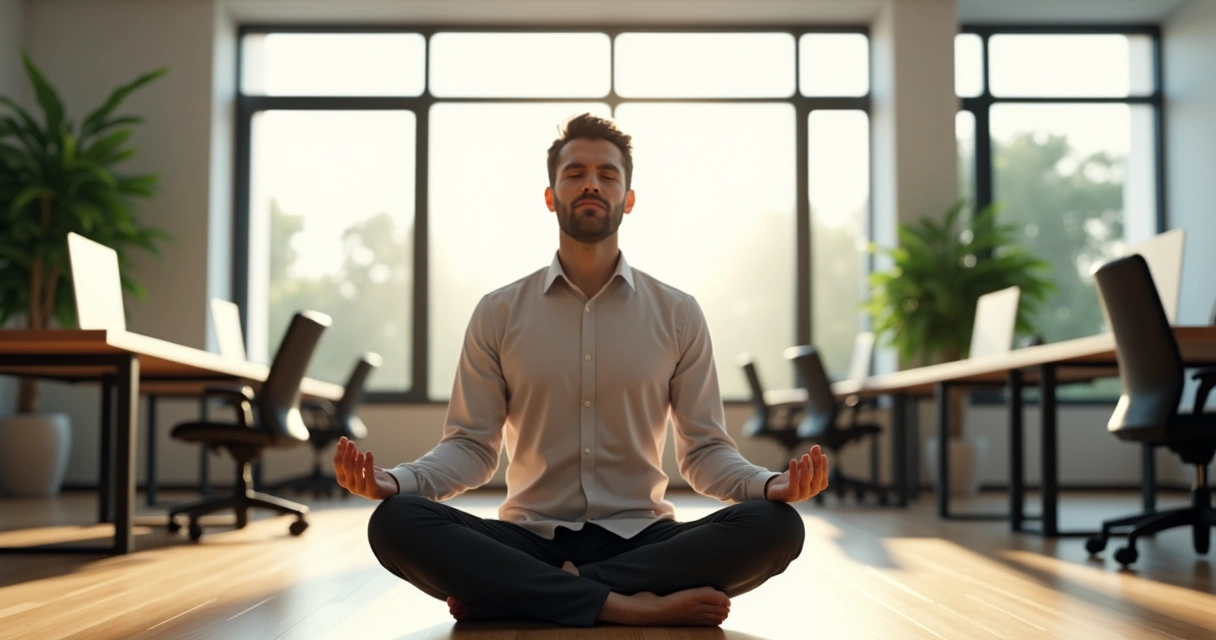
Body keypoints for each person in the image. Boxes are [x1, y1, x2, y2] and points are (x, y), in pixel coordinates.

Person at [332, 113, 830, 629]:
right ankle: (620, 602)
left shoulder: (678, 313)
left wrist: (767, 485)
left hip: (644, 537)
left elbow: (704, 452)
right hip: (530, 537)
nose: (591, 182)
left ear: (628, 199)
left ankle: (526, 593)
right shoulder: (498, 312)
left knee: (776, 527)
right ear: (550, 195)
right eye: (574, 172)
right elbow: (473, 448)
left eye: (608, 174)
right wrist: (400, 480)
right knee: (397, 521)